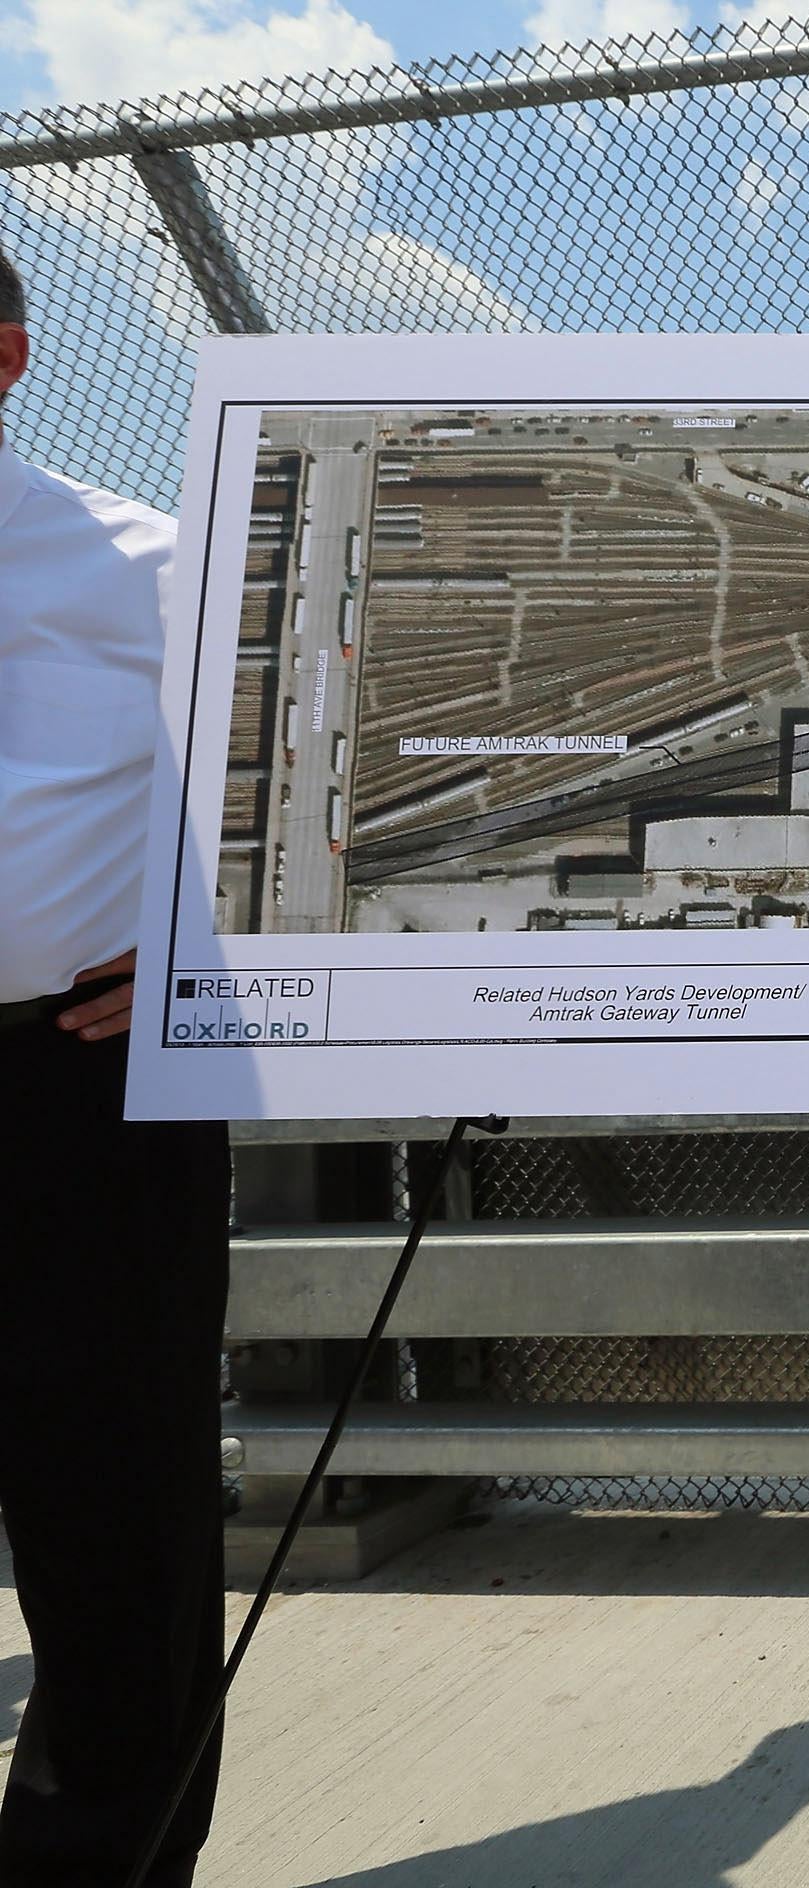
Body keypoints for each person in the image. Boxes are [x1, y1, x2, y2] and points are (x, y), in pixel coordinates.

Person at [0, 241, 230, 1887]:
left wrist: (197, 954)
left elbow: (302, 818)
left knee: (113, 1544)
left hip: (72, 1101)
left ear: (5, 358)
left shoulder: (152, 567)